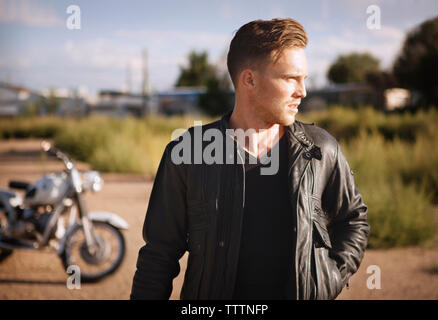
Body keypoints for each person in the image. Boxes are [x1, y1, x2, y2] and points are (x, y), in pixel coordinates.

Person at [130, 18, 369, 300]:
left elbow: (353, 220)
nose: (302, 91)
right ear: (249, 80)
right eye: (291, 78)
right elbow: (159, 254)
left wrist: (328, 278)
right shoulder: (188, 154)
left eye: (304, 79)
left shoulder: (320, 149)